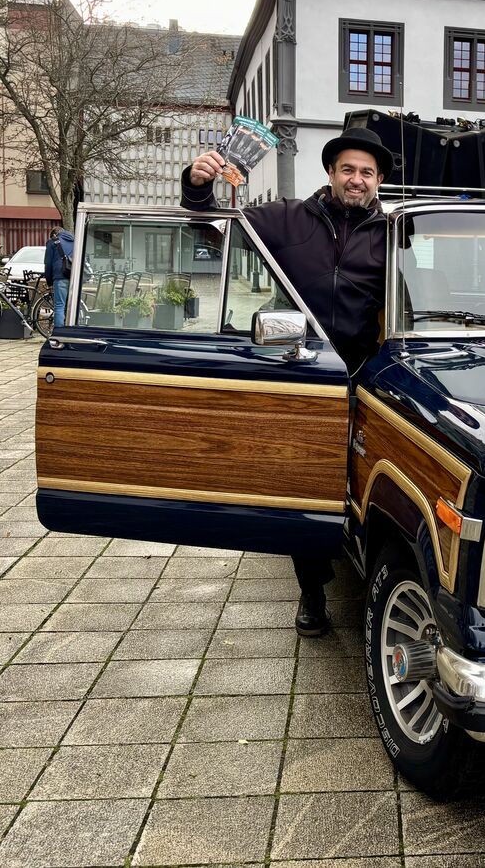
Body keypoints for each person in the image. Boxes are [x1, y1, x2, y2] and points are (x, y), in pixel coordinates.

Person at [182, 126, 393, 637]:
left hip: (365, 376)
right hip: (301, 373)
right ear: (331, 172)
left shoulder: (394, 233)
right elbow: (215, 232)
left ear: (379, 180)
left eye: (367, 172)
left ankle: (370, 566)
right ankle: (312, 590)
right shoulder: (287, 218)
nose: (357, 179)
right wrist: (197, 186)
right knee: (303, 483)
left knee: (361, 480)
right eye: (348, 169)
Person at [43, 227, 75, 329]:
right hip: (75, 277)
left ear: (54, 234)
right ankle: (72, 330)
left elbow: (48, 264)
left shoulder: (52, 242)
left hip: (60, 276)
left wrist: (49, 281)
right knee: (72, 306)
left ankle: (59, 331)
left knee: (59, 306)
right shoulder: (75, 240)